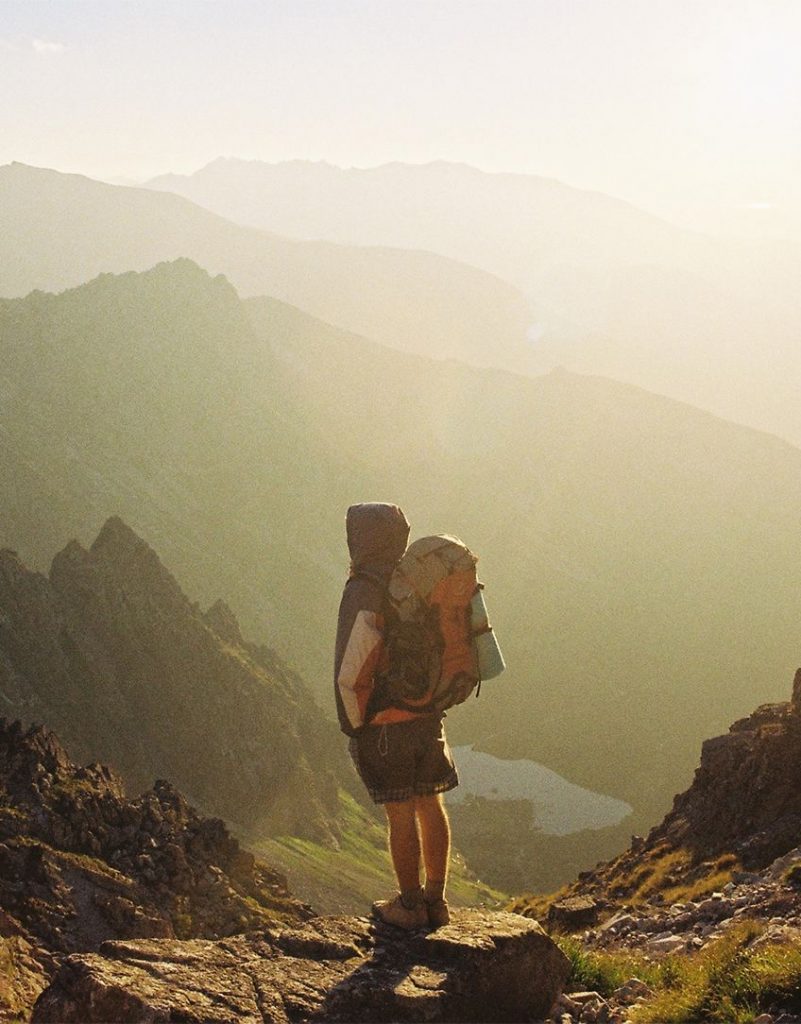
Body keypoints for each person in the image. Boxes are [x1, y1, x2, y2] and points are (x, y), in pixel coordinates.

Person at [334, 502, 458, 930]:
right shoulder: (418, 582)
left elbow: (352, 666)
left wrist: (355, 724)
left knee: (400, 813)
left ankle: (408, 906)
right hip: (428, 714)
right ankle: (436, 901)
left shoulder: (364, 589)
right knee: (431, 802)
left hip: (386, 724)